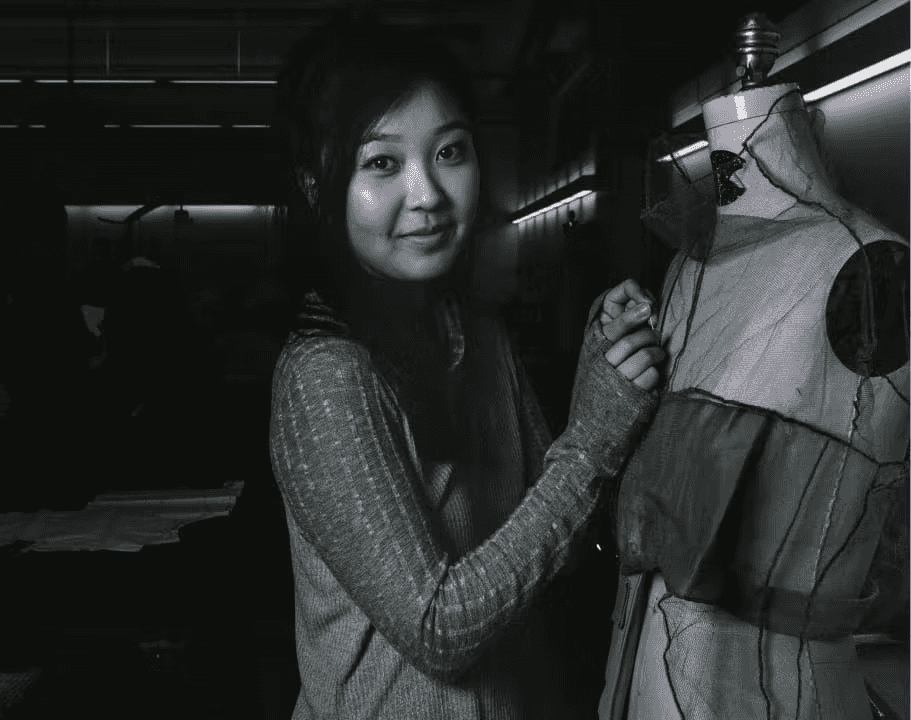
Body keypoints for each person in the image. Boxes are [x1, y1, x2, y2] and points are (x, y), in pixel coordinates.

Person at [268, 19, 664, 720]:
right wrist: (594, 438)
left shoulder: (476, 333)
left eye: (449, 151)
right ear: (314, 186)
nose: (428, 194)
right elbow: (438, 628)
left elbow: (561, 544)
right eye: (381, 163)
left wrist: (593, 378)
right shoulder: (328, 376)